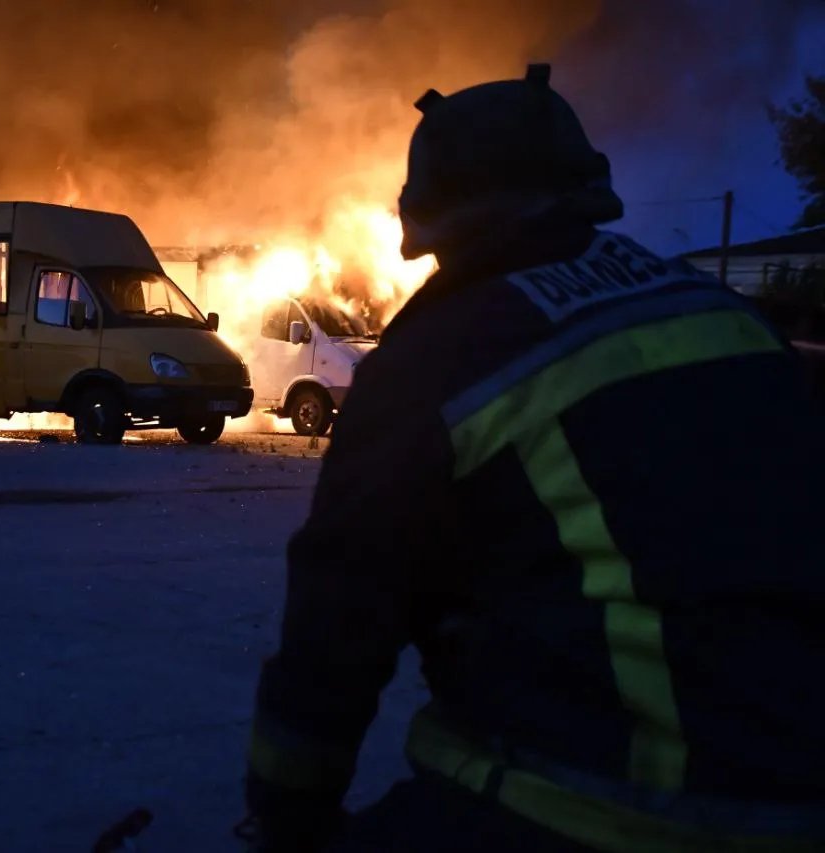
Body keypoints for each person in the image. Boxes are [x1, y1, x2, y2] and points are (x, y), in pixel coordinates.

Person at [241, 64, 825, 852]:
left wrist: (287, 814)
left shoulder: (433, 358)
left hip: (619, 805)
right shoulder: (721, 311)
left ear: (428, 218)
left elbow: (335, 631)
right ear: (585, 183)